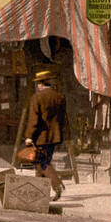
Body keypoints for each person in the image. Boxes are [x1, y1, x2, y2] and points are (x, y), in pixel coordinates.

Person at [25, 69, 69, 200]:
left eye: (37, 83)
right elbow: (63, 118)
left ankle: (57, 185)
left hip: (41, 137)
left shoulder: (36, 97)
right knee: (41, 165)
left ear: (40, 84)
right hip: (55, 136)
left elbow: (34, 119)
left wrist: (29, 136)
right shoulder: (59, 97)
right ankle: (38, 194)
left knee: (42, 163)